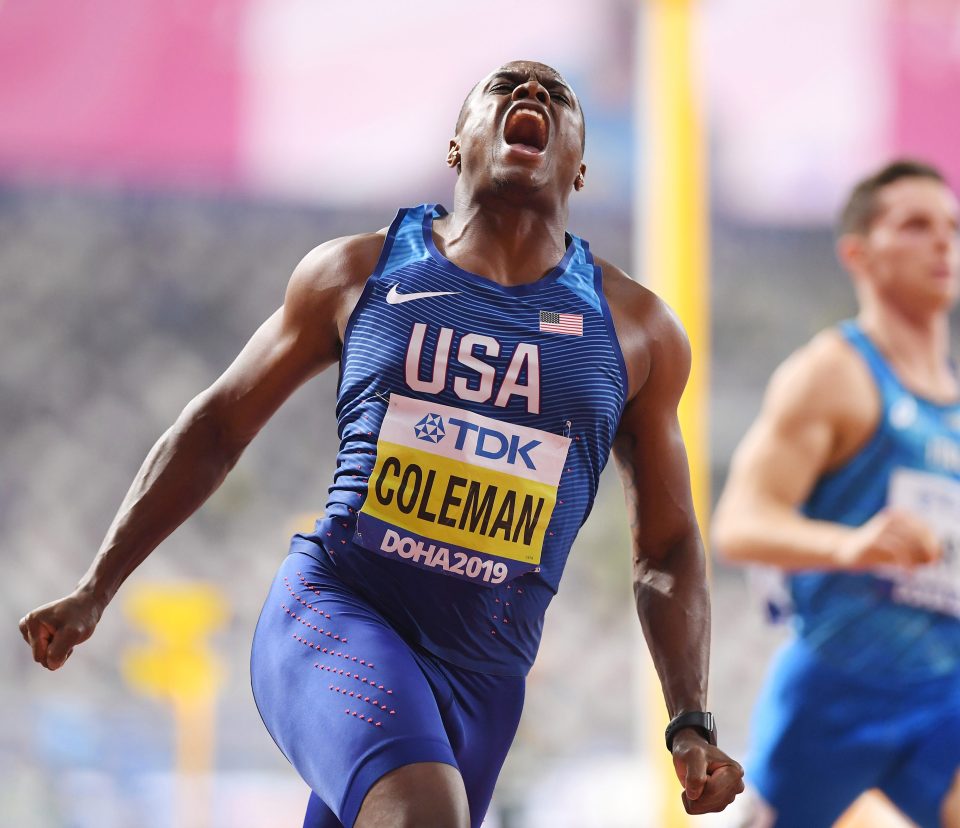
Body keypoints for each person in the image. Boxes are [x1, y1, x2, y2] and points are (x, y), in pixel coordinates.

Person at [20, 60, 743, 827]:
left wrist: (690, 720)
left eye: (558, 96)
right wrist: (98, 586)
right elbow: (217, 426)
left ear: (580, 167)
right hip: (338, 612)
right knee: (423, 815)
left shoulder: (637, 332)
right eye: (504, 89)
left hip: (483, 678)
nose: (533, 94)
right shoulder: (356, 272)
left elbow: (665, 547)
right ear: (457, 146)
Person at [712, 159, 960, 828]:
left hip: (944, 690)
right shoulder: (835, 374)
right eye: (915, 225)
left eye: (952, 227)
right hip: (837, 688)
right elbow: (739, 521)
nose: (943, 243)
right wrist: (851, 543)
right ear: (858, 252)